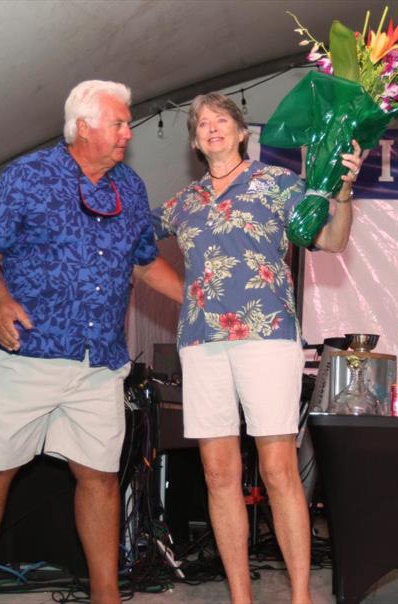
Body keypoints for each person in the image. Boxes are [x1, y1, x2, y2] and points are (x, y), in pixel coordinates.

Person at [0, 80, 183, 604]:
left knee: (98, 478)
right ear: (83, 127)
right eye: (118, 123)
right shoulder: (28, 176)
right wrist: (0, 302)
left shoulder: (131, 187)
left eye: (126, 123)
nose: (127, 133)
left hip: (99, 362)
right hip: (27, 355)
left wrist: (197, 300)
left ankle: (106, 595)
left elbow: (145, 262)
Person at [153, 92, 362, 604]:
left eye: (221, 119)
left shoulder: (278, 183)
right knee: (218, 472)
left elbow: (331, 241)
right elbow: (133, 251)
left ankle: (299, 595)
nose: (212, 127)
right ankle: (241, 597)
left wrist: (343, 192)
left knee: (277, 469)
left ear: (243, 132)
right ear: (196, 141)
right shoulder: (183, 202)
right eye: (202, 123)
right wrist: (189, 295)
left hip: (266, 336)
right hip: (202, 344)